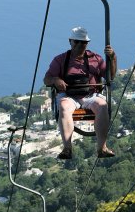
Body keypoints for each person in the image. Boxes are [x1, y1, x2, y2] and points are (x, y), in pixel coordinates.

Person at [44, 26, 117, 159]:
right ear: (70, 41)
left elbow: (110, 77)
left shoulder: (96, 59)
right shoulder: (60, 60)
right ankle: (67, 148)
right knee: (64, 107)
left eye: (82, 42)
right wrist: (55, 80)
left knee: (102, 106)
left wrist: (112, 58)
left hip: (90, 95)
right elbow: (47, 79)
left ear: (87, 43)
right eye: (76, 42)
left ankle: (102, 148)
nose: (79, 45)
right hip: (69, 96)